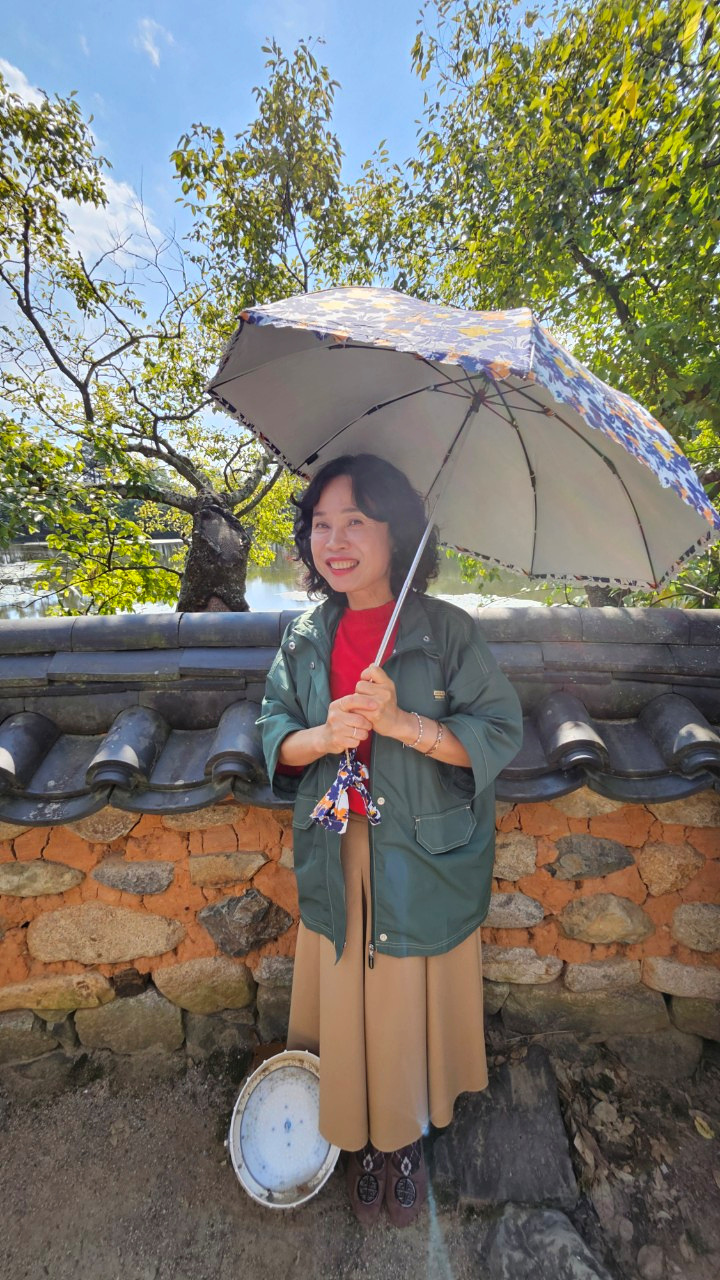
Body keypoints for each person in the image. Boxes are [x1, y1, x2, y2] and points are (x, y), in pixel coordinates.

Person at [257, 453, 523, 1227]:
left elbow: (497, 731)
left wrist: (404, 724)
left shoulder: (447, 632)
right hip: (337, 850)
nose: (334, 542)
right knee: (348, 995)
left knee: (405, 1000)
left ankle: (402, 1140)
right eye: (321, 525)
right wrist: (321, 735)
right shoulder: (306, 636)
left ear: (396, 533)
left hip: (421, 852)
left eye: (356, 522)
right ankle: (355, 1132)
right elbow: (272, 730)